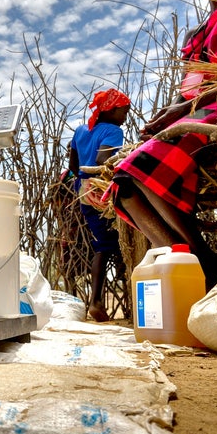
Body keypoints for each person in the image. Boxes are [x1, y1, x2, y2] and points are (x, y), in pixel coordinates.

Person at [107, 0, 217, 294]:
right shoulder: (197, 34)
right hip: (197, 110)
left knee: (144, 163)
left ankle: (203, 264)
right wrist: (169, 112)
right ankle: (192, 258)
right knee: (123, 183)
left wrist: (183, 109)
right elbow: (188, 90)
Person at [69, 89, 130, 322]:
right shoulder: (114, 130)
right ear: (112, 110)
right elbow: (103, 161)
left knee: (103, 244)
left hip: (83, 190)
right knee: (114, 244)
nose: (125, 117)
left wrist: (84, 182)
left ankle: (96, 301)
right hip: (102, 190)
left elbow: (74, 165)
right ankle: (98, 301)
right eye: (124, 112)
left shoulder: (81, 130)